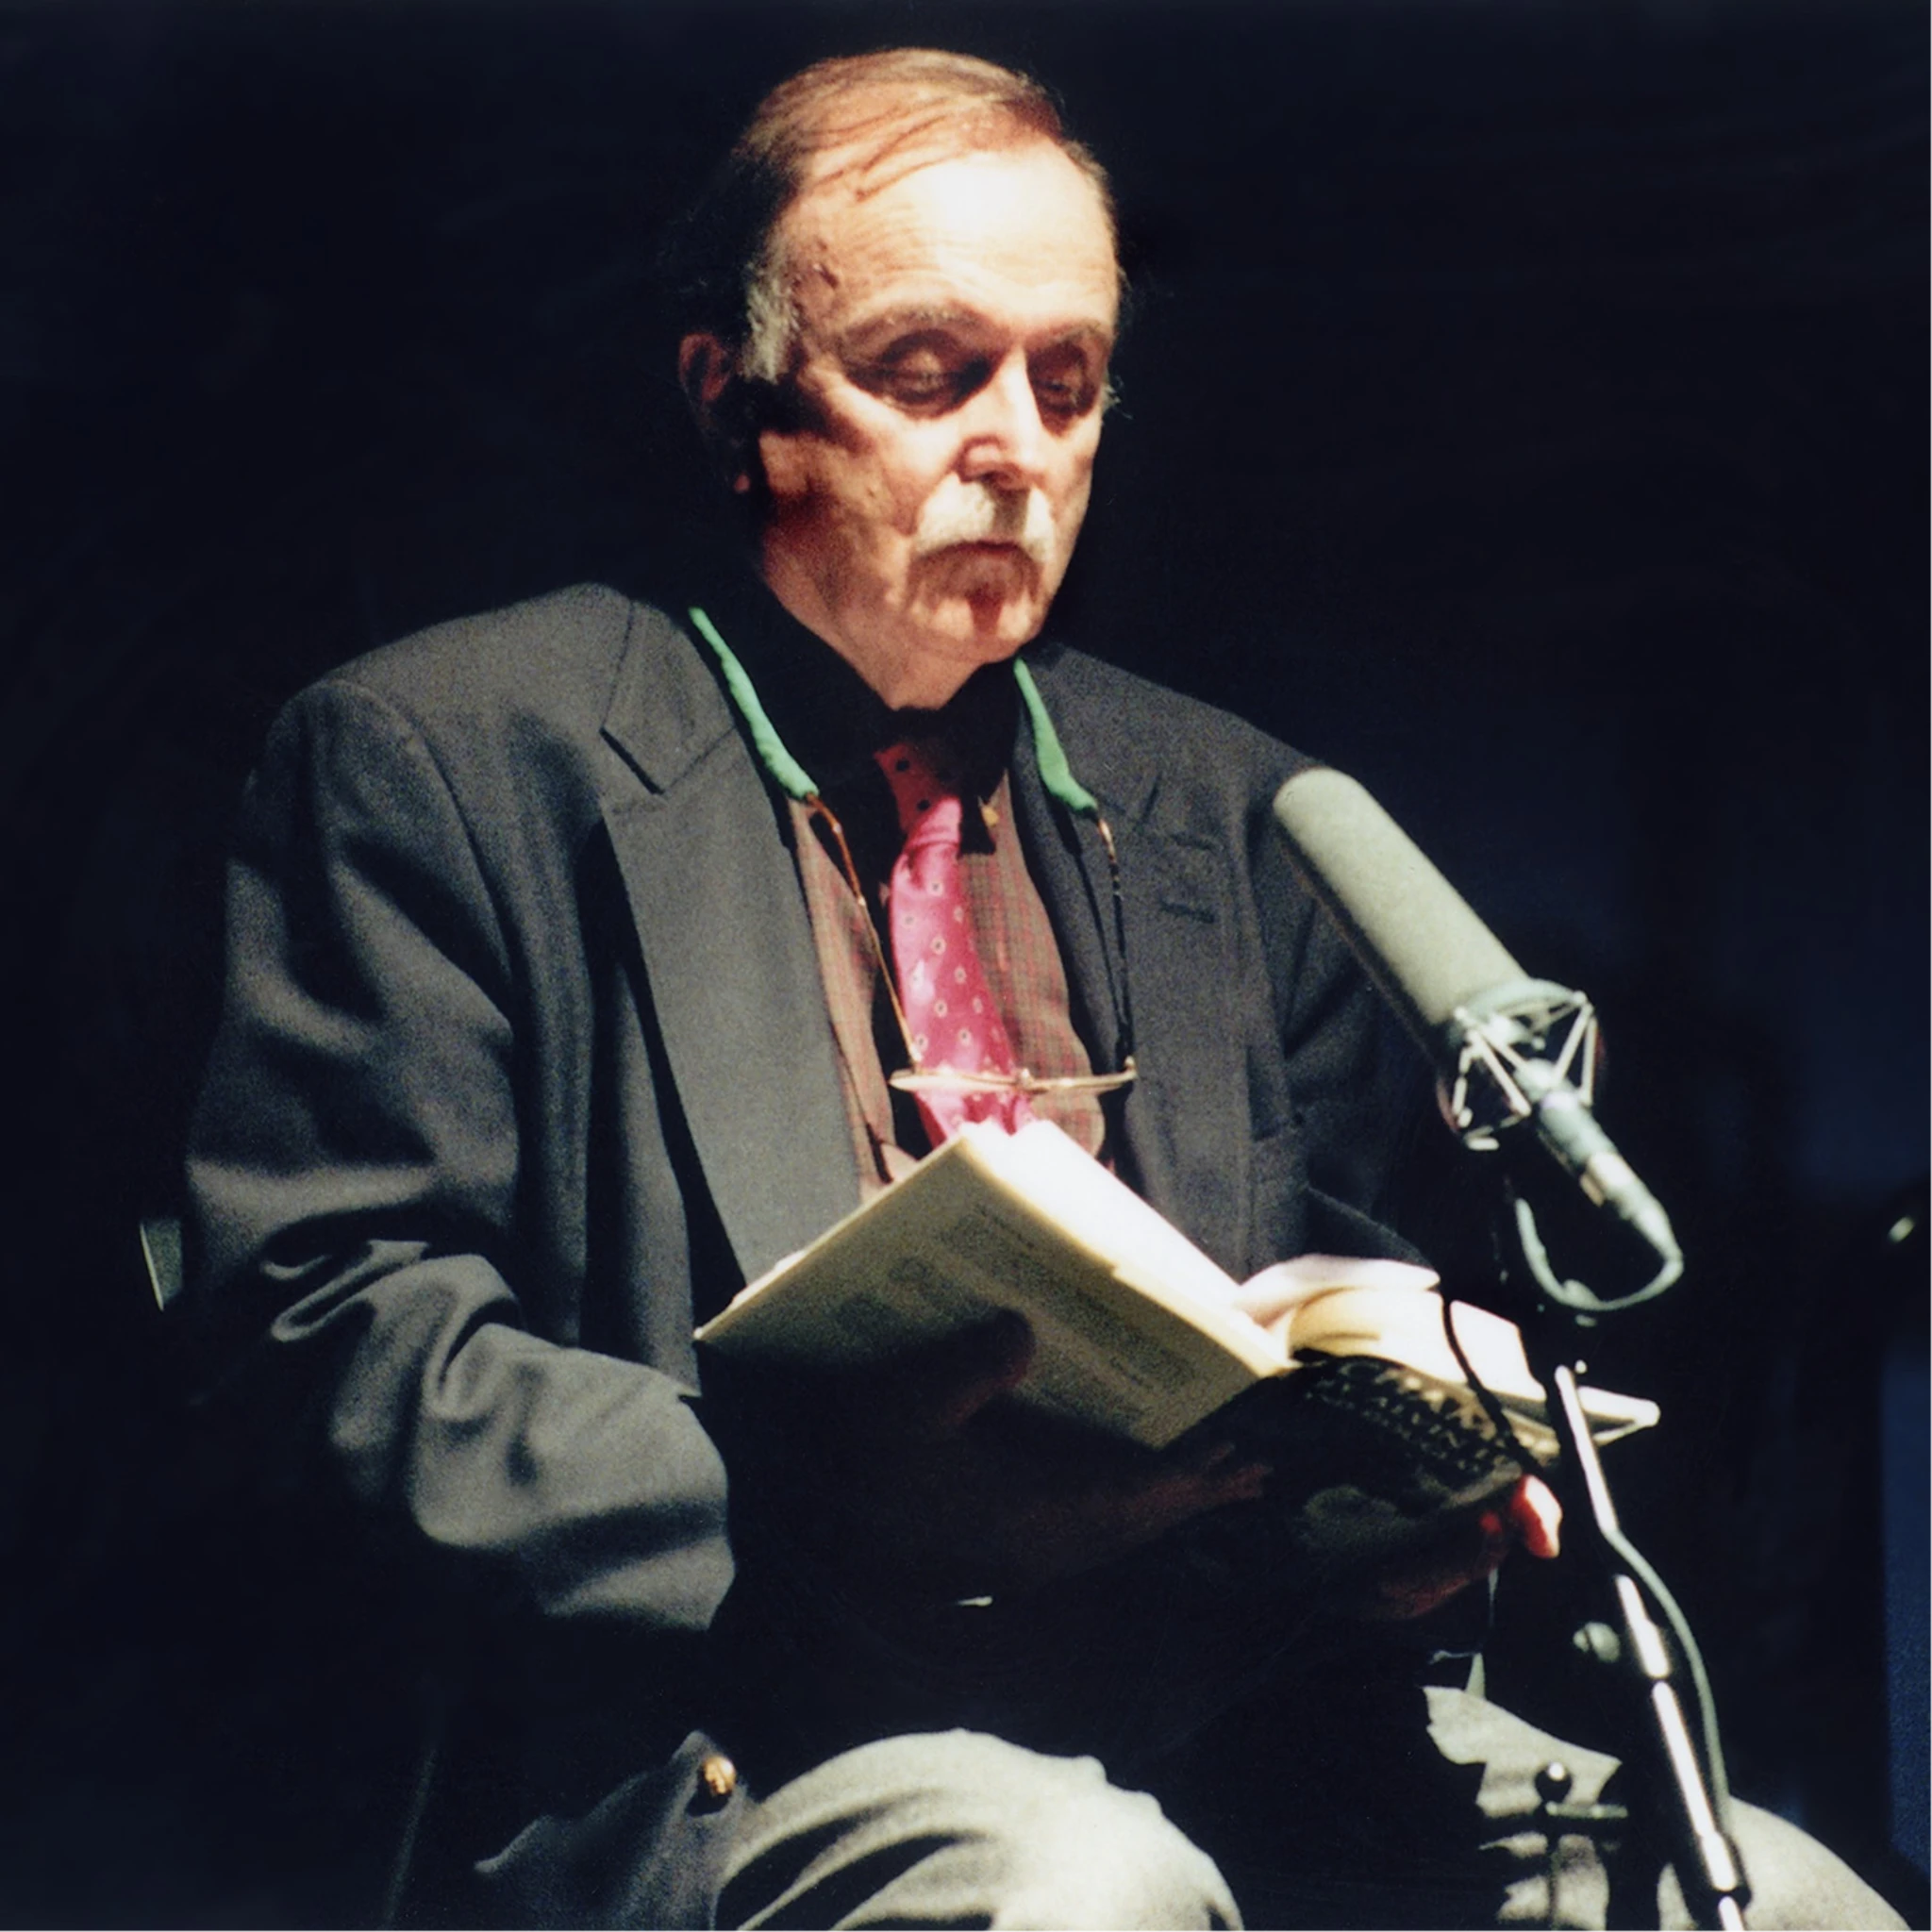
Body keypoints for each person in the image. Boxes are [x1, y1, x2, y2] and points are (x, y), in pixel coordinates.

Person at [184, 46, 1906, 1932]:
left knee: (1796, 1901)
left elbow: (1294, 1301)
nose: (1013, 440)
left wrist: (1386, 1512)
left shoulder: (1230, 806)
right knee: (1072, 1880)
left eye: (1065, 378)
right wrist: (818, 1503)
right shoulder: (449, 752)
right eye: (929, 370)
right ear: (729, 397)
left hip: (1234, 1717)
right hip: (731, 1726)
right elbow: (325, 1335)